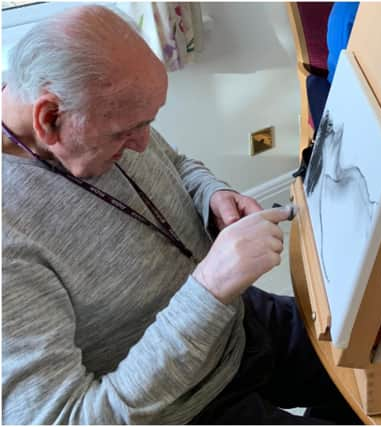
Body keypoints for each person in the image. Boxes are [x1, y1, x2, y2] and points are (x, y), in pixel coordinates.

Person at [2, 5, 361, 425]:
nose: (141, 144)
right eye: (124, 133)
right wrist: (208, 289)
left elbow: (176, 164)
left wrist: (212, 194)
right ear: (48, 119)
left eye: (148, 123)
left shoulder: (102, 110)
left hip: (238, 324)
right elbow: (69, 419)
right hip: (184, 407)